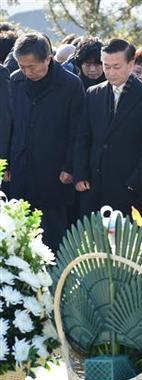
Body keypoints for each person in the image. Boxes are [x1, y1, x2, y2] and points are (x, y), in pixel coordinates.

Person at [5, 32, 85, 252]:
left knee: (52, 240)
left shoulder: (70, 84)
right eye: (22, 66)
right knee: (19, 240)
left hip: (55, 174)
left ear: (48, 58)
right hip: (21, 171)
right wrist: (7, 163)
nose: (26, 71)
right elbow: (8, 126)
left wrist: (70, 167)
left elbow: (77, 130)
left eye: (32, 66)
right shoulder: (15, 81)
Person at [74, 38, 142, 217]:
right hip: (94, 185)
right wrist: (81, 173)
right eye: (106, 66)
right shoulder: (93, 93)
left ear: (131, 64)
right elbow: (83, 136)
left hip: (130, 188)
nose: (110, 72)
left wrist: (136, 181)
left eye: (116, 66)